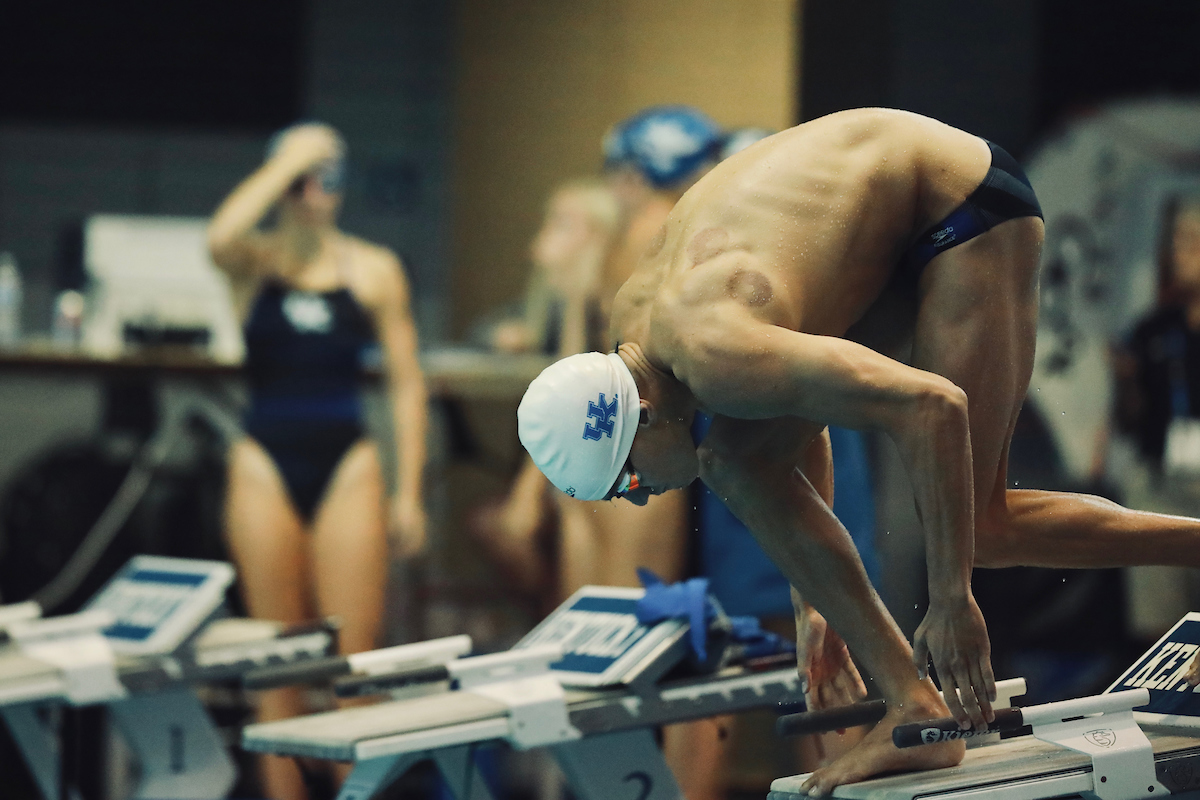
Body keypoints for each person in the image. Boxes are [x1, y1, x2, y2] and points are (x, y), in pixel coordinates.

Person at [517, 108, 1200, 793]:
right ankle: (915, 705)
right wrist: (816, 604)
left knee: (981, 529)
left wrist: (951, 600)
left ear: (640, 418)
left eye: (625, 480)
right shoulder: (638, 333)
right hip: (891, 228)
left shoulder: (710, 352)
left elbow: (934, 406)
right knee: (734, 462)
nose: (638, 495)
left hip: (962, 203)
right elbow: (797, 419)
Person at [207, 122, 428, 800]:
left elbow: (406, 383)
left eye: (326, 177)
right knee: (277, 671)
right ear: (280, 184)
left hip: (347, 463)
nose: (314, 192)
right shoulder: (254, 263)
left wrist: (410, 492)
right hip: (263, 463)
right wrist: (288, 164)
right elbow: (217, 237)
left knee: (352, 669)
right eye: (301, 179)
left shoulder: (374, 269)